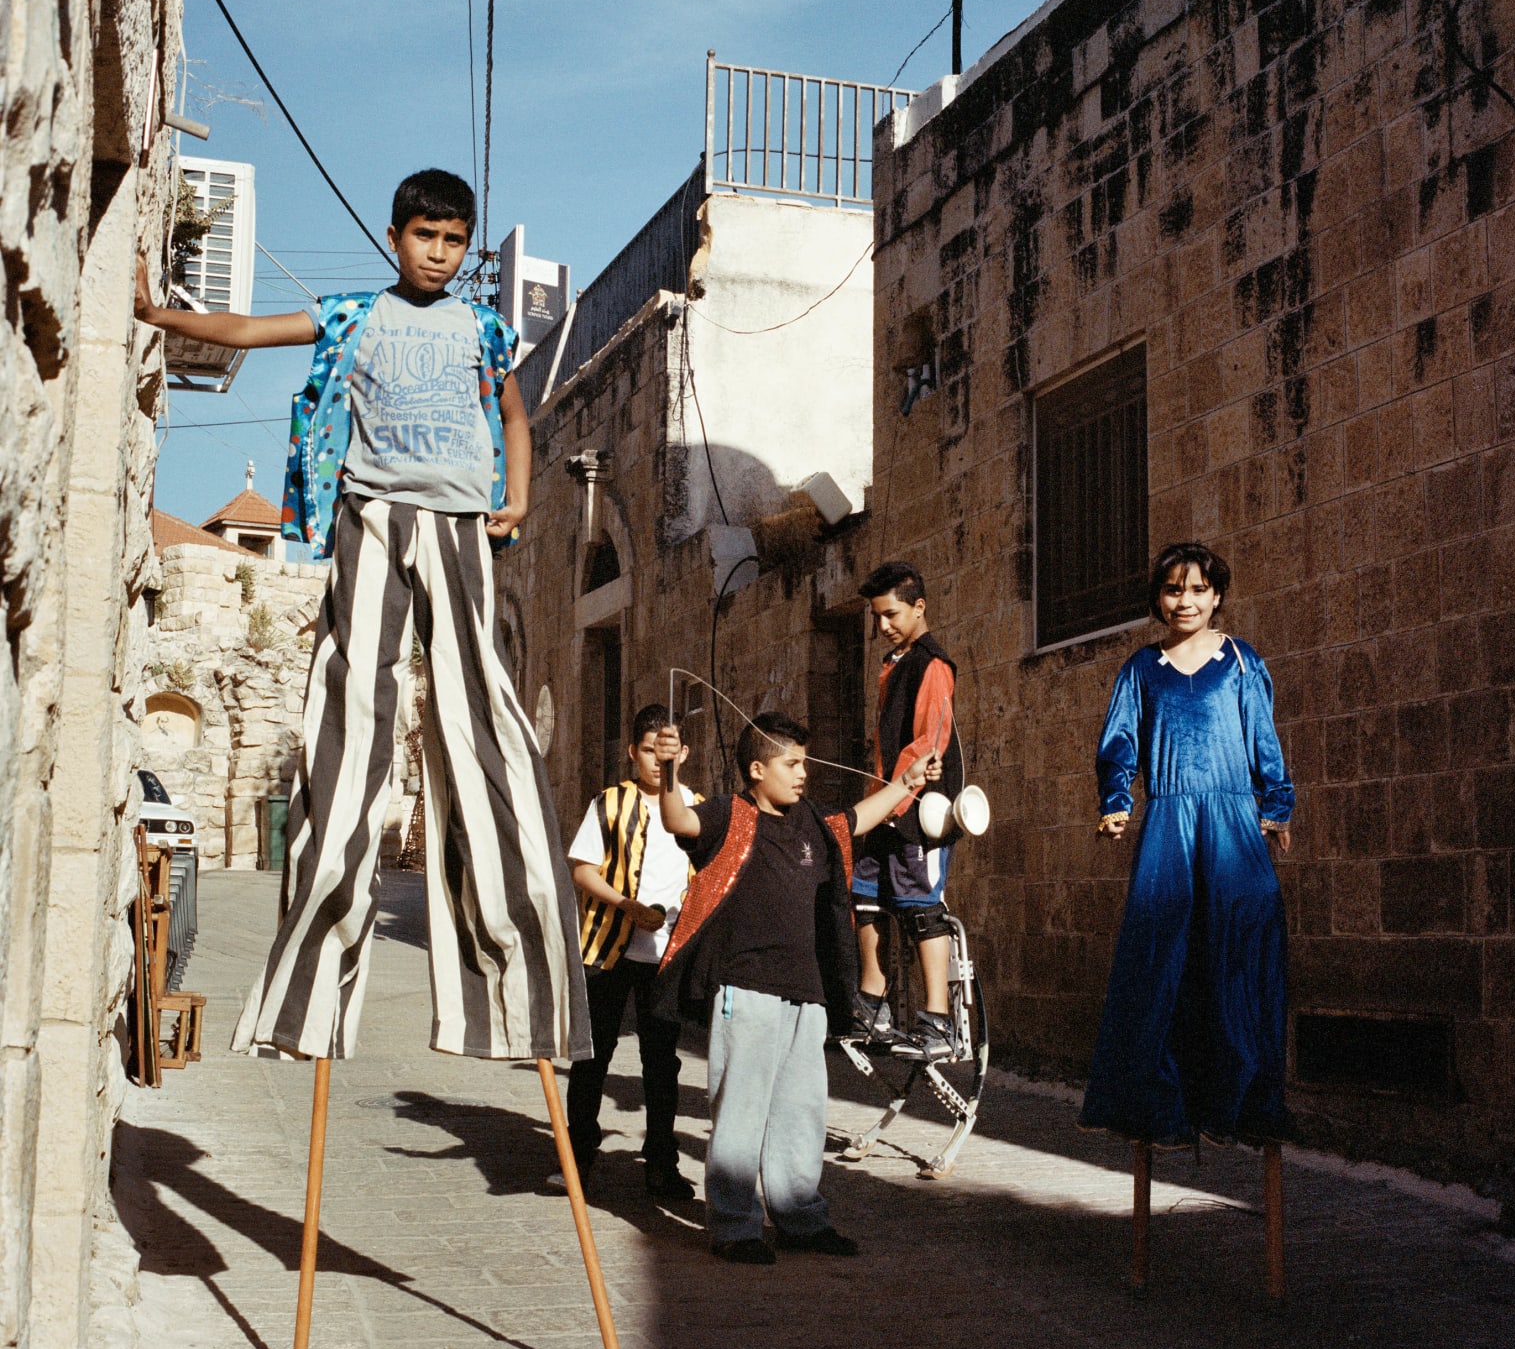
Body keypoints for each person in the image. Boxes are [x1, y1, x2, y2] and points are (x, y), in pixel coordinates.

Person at [134, 169, 589, 1067]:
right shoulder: (354, 315)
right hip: (374, 515)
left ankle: (514, 970)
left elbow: (514, 412)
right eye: (426, 237)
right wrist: (160, 316)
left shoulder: (484, 328)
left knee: (475, 708)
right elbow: (251, 331)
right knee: (352, 706)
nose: (440, 254)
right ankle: (313, 974)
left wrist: (521, 498)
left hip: (459, 525)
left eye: (456, 241)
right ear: (395, 236)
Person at [652, 712, 937, 1263]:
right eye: (792, 763)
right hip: (746, 991)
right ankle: (734, 1226)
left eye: (805, 761)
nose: (804, 773)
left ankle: (801, 1218)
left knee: (801, 1112)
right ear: (757, 769)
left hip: (806, 995)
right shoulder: (726, 816)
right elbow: (677, 823)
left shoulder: (809, 822)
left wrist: (905, 785)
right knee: (740, 1111)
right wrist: (668, 771)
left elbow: (854, 820)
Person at [1079, 542, 1294, 1148]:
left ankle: (1245, 1100)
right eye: (1174, 589)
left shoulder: (1243, 663)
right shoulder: (1141, 669)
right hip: (1171, 825)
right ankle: (1163, 1102)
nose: (1186, 601)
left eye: (1199, 589)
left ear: (1217, 595)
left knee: (1242, 947)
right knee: (1163, 955)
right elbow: (1118, 743)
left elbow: (1264, 741)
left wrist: (1277, 807)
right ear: (1158, 598)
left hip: (1232, 824)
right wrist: (1116, 802)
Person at [560, 705, 699, 1199]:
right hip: (607, 949)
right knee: (591, 1056)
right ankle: (577, 1156)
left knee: (662, 1062)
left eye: (669, 752)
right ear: (632, 752)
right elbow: (582, 867)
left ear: (684, 753)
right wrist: (626, 906)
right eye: (648, 751)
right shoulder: (609, 803)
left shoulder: (696, 809)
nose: (659, 761)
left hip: (667, 955)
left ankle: (661, 1161)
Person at [851, 561, 962, 1061]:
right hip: (886, 806)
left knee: (920, 906)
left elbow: (929, 741)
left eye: (891, 614)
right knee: (866, 894)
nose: (883, 626)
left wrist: (897, 797)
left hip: (919, 811)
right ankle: (873, 1005)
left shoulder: (931, 664)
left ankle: (939, 1021)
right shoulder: (895, 662)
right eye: (876, 617)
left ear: (919, 607)